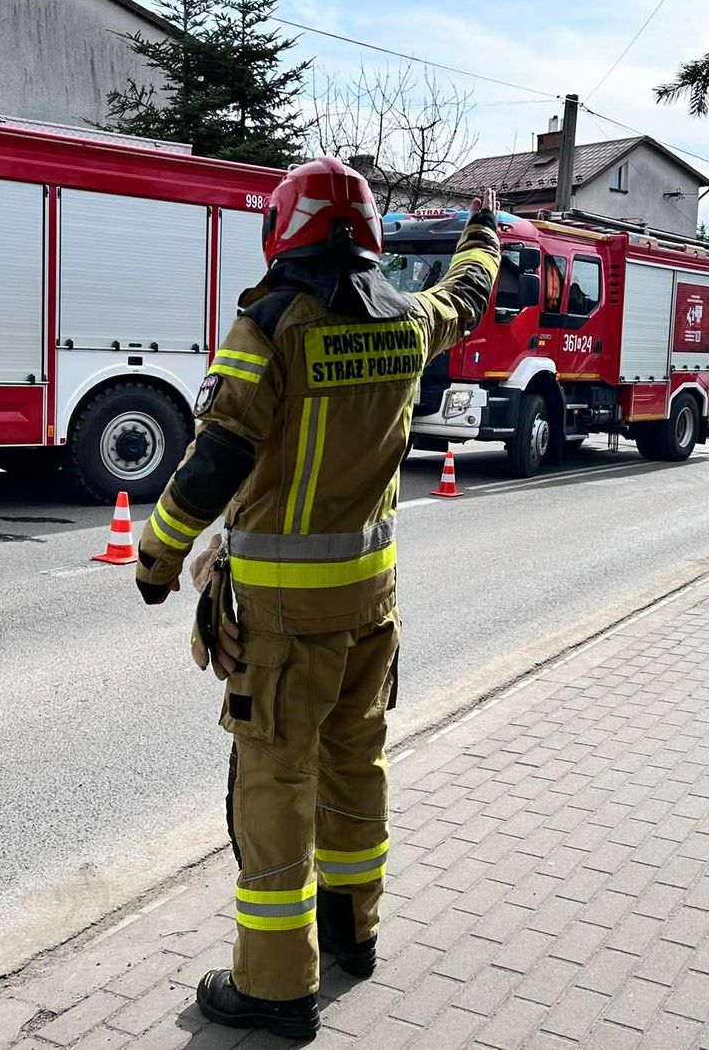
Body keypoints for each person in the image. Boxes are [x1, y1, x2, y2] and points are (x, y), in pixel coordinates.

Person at [135, 158, 500, 1039]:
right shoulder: (409, 321)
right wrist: (482, 233)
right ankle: (354, 931)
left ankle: (275, 986)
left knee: (274, 785)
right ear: (368, 235)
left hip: (283, 622)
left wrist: (158, 555)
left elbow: (219, 453)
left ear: (283, 231)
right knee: (355, 765)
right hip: (372, 607)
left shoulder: (272, 325)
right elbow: (468, 296)